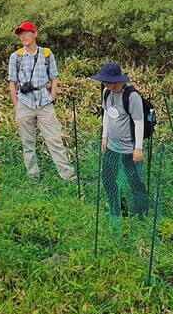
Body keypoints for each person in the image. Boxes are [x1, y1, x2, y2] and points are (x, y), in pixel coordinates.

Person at [8, 21, 77, 183]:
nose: (22, 36)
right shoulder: (16, 56)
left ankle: (68, 177)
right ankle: (33, 178)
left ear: (35, 34)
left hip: (45, 101)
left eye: (26, 32)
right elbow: (12, 82)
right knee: (28, 142)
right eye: (20, 34)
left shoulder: (47, 54)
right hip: (24, 102)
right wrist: (16, 104)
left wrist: (52, 96)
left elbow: (54, 77)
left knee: (55, 140)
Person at [91, 62, 149, 218]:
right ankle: (115, 208)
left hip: (129, 148)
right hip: (112, 146)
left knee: (135, 181)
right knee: (108, 178)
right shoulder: (106, 92)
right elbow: (107, 115)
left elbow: (139, 122)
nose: (105, 83)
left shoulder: (132, 96)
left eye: (108, 81)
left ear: (118, 80)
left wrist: (138, 148)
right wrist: (105, 137)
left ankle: (142, 212)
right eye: (103, 81)